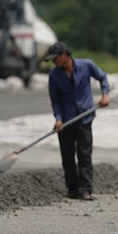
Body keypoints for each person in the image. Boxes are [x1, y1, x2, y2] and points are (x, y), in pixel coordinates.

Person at [46, 41, 111, 200]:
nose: (54, 62)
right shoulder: (54, 76)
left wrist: (105, 95)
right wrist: (58, 119)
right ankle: (72, 189)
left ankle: (86, 190)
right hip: (66, 120)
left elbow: (102, 77)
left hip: (85, 117)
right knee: (67, 156)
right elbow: (55, 100)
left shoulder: (86, 65)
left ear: (64, 55)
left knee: (84, 155)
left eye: (55, 58)